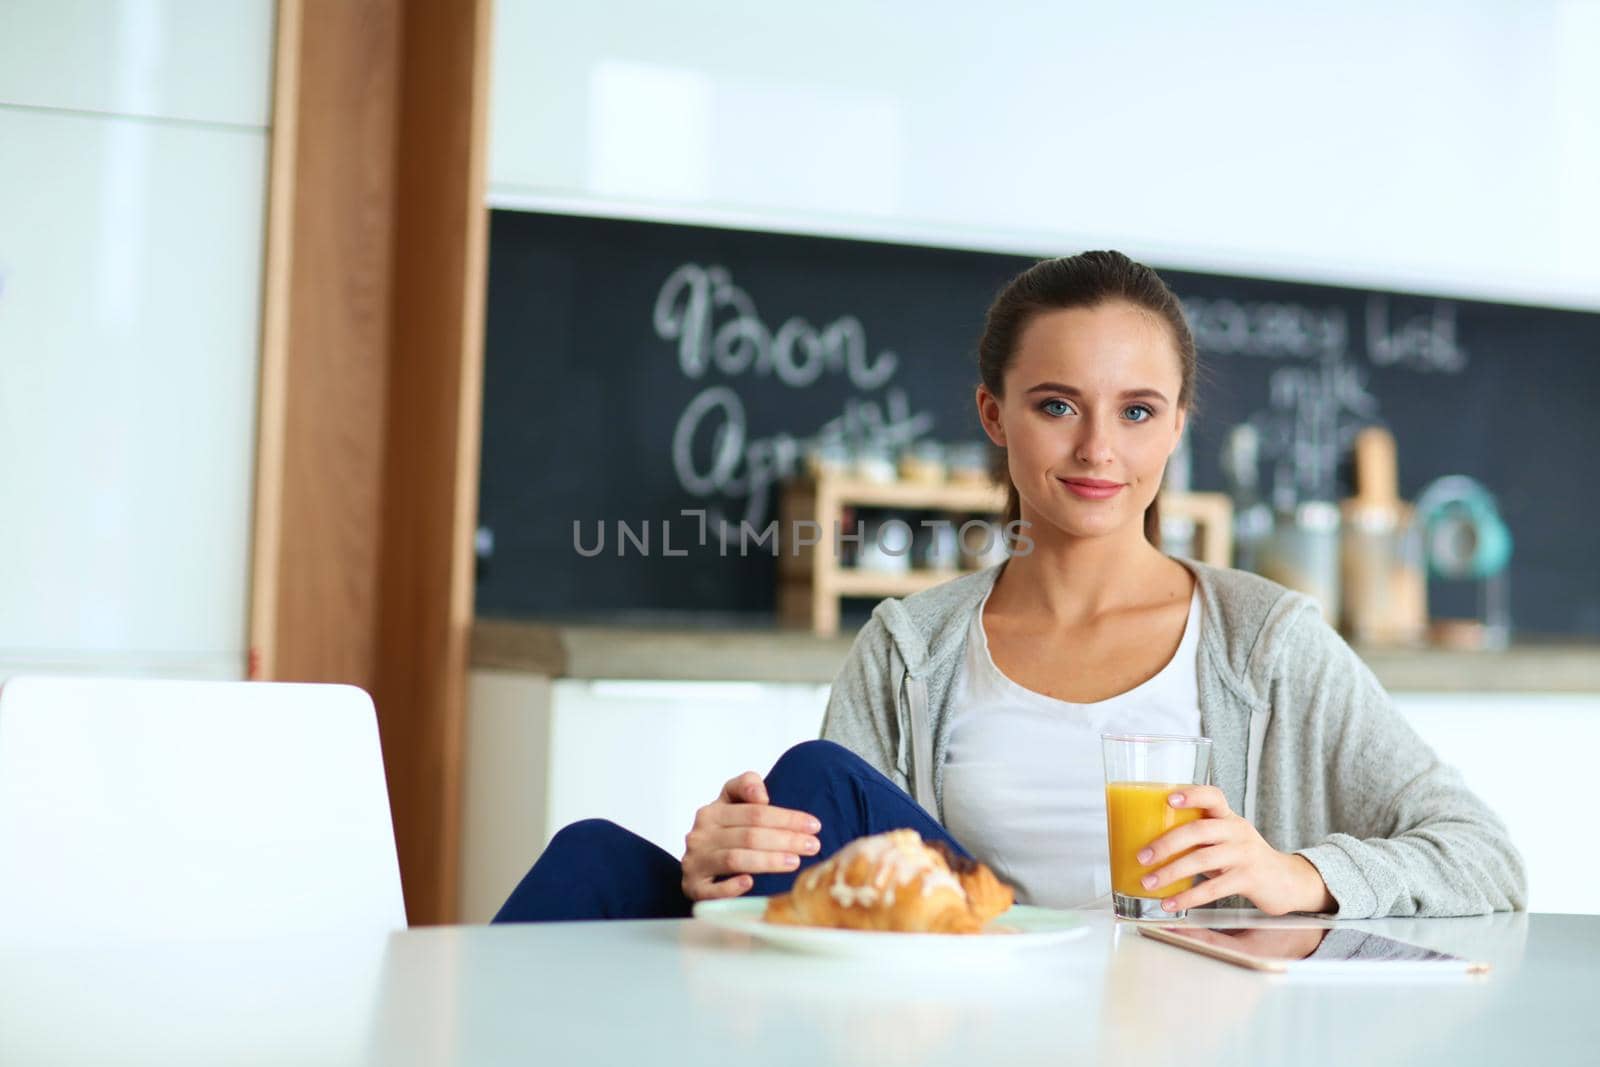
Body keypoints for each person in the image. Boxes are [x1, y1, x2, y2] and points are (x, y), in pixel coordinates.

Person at [494, 251, 1525, 924]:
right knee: (594, 856)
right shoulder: (913, 644)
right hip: (958, 1000)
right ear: (994, 414)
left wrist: (1296, 873)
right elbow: (834, 896)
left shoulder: (1265, 642)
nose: (1094, 449)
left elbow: (1484, 859)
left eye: (1135, 411)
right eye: (1054, 404)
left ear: (1175, 427)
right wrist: (730, 854)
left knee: (808, 772)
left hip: (1157, 1010)